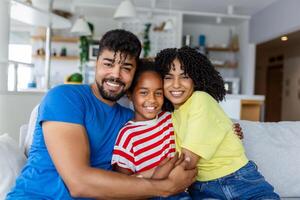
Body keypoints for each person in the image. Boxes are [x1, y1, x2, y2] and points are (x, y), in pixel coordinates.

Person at [7, 30, 197, 200]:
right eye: (108, 64)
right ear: (96, 63)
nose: (116, 74)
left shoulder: (130, 119)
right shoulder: (65, 97)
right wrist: (165, 187)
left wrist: (224, 127)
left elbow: (182, 121)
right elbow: (78, 183)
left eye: (126, 68)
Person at [155, 46, 280, 200]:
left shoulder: (201, 99)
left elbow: (187, 161)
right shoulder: (172, 116)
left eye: (185, 76)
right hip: (202, 188)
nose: (176, 84)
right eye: (168, 77)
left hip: (239, 181)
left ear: (196, 79)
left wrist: (148, 182)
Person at [111, 60, 192, 200]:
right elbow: (123, 185)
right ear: (130, 94)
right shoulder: (128, 135)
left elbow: (199, 128)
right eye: (144, 92)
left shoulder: (169, 118)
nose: (152, 99)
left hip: (183, 191)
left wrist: (228, 129)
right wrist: (155, 174)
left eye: (158, 93)